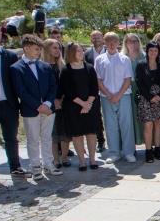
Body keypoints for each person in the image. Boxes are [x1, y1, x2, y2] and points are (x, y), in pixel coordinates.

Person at [11, 35, 58, 181]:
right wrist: (38, 106)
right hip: (31, 109)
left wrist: (48, 104)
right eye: (36, 49)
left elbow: (53, 86)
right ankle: (35, 166)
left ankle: (48, 163)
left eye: (40, 49)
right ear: (26, 48)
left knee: (46, 137)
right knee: (32, 139)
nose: (39, 52)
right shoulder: (16, 68)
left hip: (48, 108)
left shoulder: (45, 66)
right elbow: (21, 91)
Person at [58, 43, 102, 171]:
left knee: (91, 133)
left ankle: (92, 160)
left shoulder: (89, 68)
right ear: (71, 53)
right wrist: (83, 104)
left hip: (90, 105)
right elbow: (68, 91)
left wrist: (88, 103)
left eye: (82, 50)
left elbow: (94, 87)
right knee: (77, 134)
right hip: (73, 107)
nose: (81, 53)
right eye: (78, 51)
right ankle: (82, 161)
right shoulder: (66, 70)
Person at [95, 32, 136, 163]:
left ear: (118, 43)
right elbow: (98, 80)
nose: (112, 44)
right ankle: (114, 152)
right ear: (105, 43)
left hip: (123, 95)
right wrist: (108, 94)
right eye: (109, 41)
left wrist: (118, 95)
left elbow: (128, 79)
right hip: (106, 97)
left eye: (114, 41)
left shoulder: (125, 59)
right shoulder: (99, 60)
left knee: (126, 124)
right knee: (110, 125)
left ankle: (129, 152)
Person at [135, 41, 160, 163]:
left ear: (158, 52)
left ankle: (157, 148)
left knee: (158, 123)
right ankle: (148, 151)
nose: (153, 53)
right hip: (146, 99)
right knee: (148, 125)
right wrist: (150, 97)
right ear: (147, 52)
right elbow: (139, 83)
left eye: (155, 51)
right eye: (151, 51)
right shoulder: (140, 65)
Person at [43, 38, 69, 174]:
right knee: (52, 133)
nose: (57, 50)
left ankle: (64, 157)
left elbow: (67, 85)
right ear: (47, 49)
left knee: (65, 131)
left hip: (64, 103)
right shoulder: (42, 66)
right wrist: (52, 101)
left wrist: (61, 99)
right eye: (54, 48)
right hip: (49, 104)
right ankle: (55, 159)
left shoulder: (63, 66)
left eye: (58, 48)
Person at [83, 30, 107, 153]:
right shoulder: (86, 54)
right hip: (93, 90)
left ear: (103, 38)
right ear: (90, 39)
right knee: (96, 116)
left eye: (98, 37)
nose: (96, 39)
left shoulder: (110, 51)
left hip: (109, 89)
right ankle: (101, 141)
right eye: (94, 37)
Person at [122, 33, 147, 148]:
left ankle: (146, 142)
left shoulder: (144, 56)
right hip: (127, 91)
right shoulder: (122, 57)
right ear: (126, 43)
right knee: (130, 118)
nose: (133, 43)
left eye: (135, 41)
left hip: (142, 89)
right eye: (130, 41)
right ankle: (131, 146)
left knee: (143, 116)